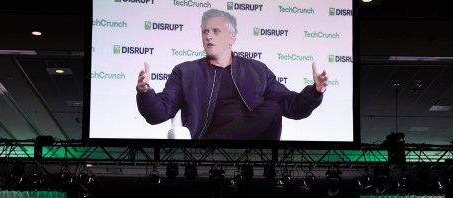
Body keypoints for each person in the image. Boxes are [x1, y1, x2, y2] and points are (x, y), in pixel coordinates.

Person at [136, 8, 328, 140]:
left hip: (255, 142)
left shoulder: (258, 70)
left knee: (272, 108)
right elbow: (159, 113)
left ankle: (213, 144)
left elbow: (292, 106)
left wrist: (315, 91)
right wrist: (145, 93)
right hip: (208, 138)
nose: (208, 36)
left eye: (215, 31)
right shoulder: (185, 72)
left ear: (232, 38)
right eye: (205, 32)